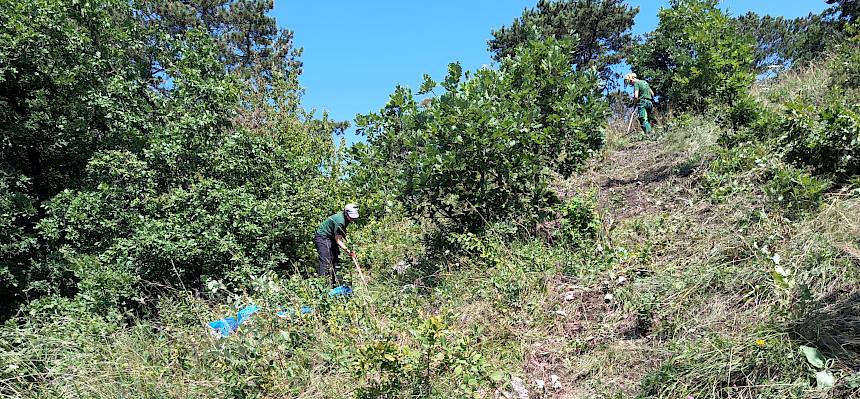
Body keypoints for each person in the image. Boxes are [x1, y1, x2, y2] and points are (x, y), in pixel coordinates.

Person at [314, 204, 359, 287]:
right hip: (323, 237)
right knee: (326, 261)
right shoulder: (340, 221)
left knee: (336, 259)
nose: (353, 219)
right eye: (351, 217)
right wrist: (348, 251)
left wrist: (349, 245)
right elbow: (338, 240)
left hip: (331, 237)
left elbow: (342, 233)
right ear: (346, 213)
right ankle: (323, 286)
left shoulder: (346, 219)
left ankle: (336, 284)